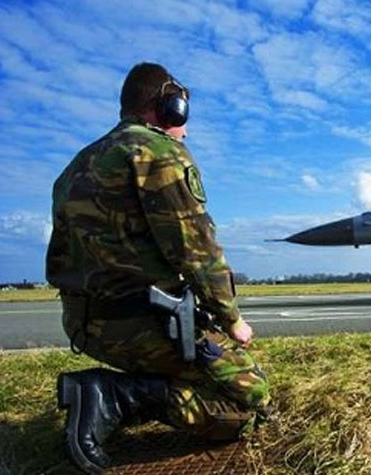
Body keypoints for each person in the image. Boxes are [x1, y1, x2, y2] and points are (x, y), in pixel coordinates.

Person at [46, 62, 270, 473]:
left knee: (209, 372)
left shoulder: (74, 167)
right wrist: (232, 319)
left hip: (83, 325)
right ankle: (114, 396)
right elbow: (196, 250)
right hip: (143, 324)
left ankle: (116, 392)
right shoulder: (158, 153)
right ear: (167, 108)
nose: (185, 130)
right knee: (249, 399)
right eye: (183, 115)